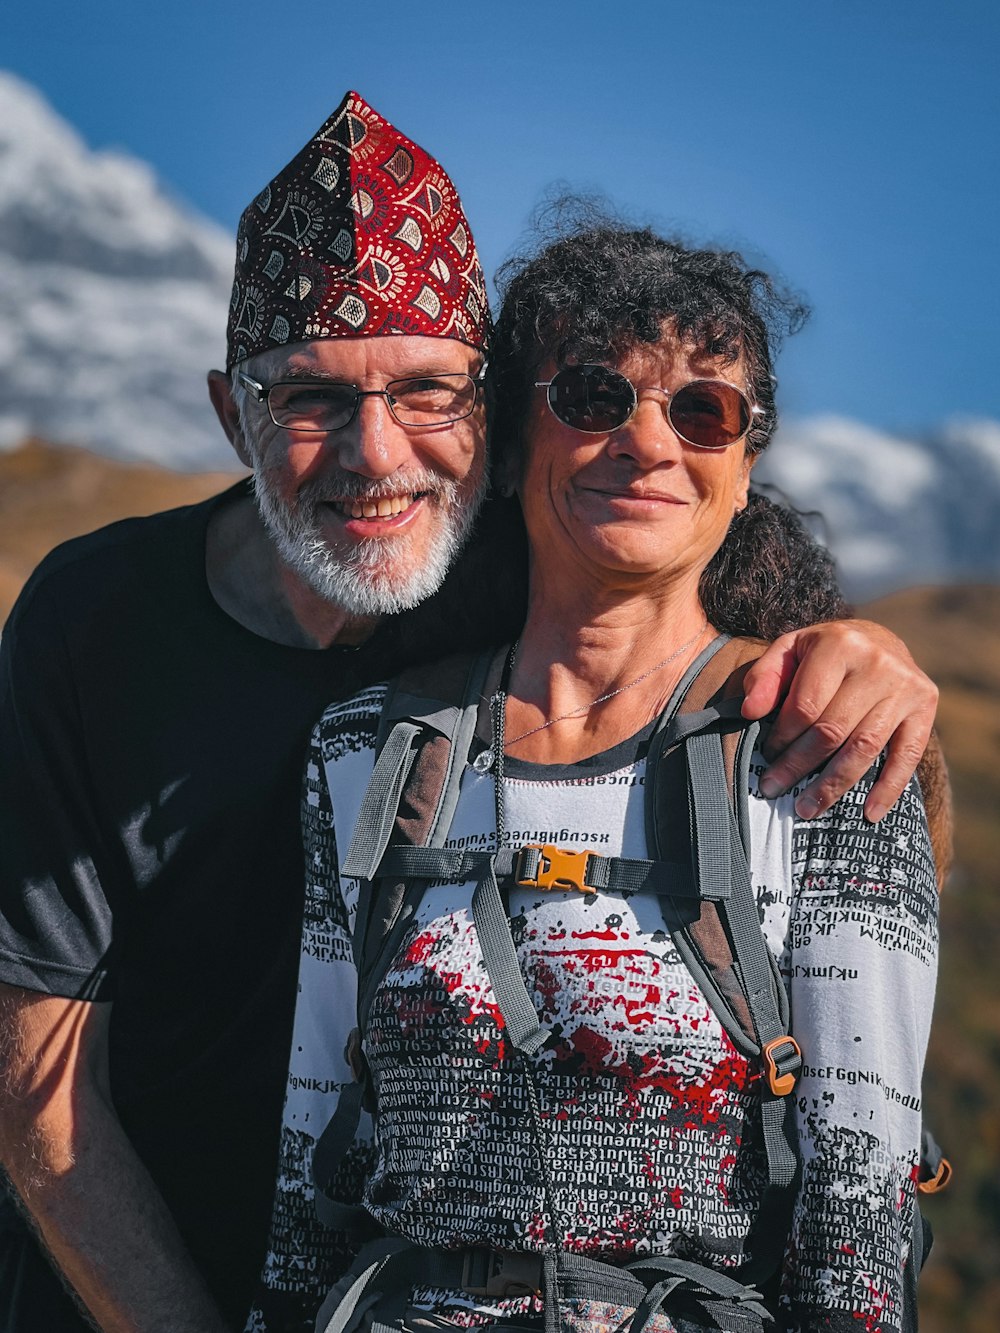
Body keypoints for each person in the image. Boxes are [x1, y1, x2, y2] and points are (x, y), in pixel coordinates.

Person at [0, 95, 936, 1333]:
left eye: (427, 392)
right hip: (125, 1286)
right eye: (309, 401)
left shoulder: (540, 590)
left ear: (486, 422)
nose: (375, 455)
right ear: (232, 415)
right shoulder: (106, 621)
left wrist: (859, 654)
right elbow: (35, 1084)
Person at [249, 214, 939, 1333]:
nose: (649, 442)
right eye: (592, 396)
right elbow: (313, 1143)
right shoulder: (369, 747)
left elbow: (858, 1196)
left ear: (744, 461)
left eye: (702, 411)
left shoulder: (822, 749)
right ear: (511, 439)